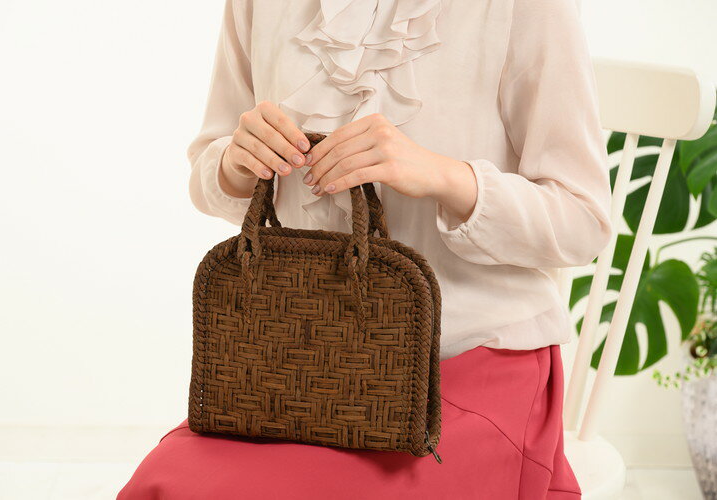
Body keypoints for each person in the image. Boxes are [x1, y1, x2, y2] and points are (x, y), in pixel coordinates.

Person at [118, 0, 612, 497]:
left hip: (473, 359)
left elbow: (583, 220)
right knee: (165, 485)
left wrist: (444, 176)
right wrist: (235, 161)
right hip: (298, 359)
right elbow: (210, 167)